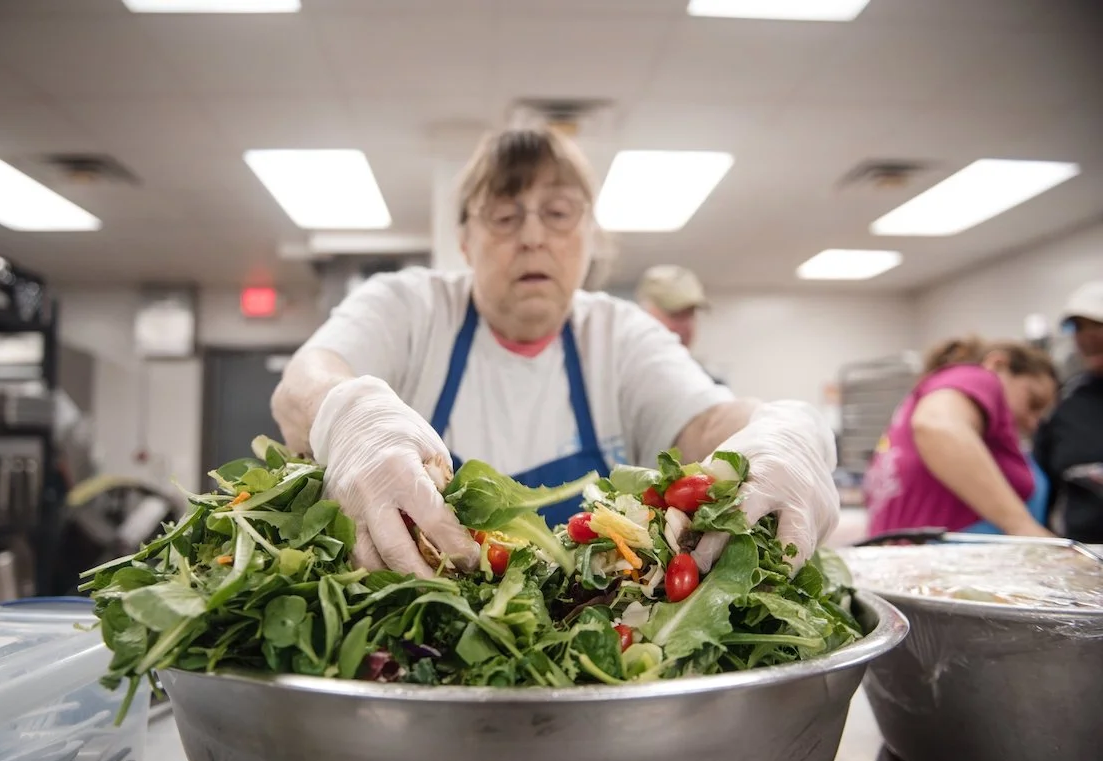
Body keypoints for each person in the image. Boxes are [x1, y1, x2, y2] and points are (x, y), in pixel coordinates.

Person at [271, 126, 839, 577]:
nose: (533, 236)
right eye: (505, 214)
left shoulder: (620, 336)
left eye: (559, 213)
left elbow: (709, 421)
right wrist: (351, 417)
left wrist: (780, 429)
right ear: (466, 238)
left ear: (589, 235)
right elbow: (305, 380)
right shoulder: (408, 308)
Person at [862, 337, 1059, 539]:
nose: (1034, 423)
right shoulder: (979, 377)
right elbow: (936, 425)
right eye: (1034, 402)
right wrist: (1022, 526)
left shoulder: (921, 401)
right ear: (998, 364)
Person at [1034, 281, 1103, 543]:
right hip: (1087, 556)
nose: (1088, 336)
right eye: (1079, 327)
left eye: (1098, 325)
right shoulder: (1066, 404)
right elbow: (1043, 488)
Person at [636, 264, 708, 350]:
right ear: (645, 313)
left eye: (690, 314)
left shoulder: (691, 363)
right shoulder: (623, 360)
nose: (685, 326)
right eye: (676, 314)